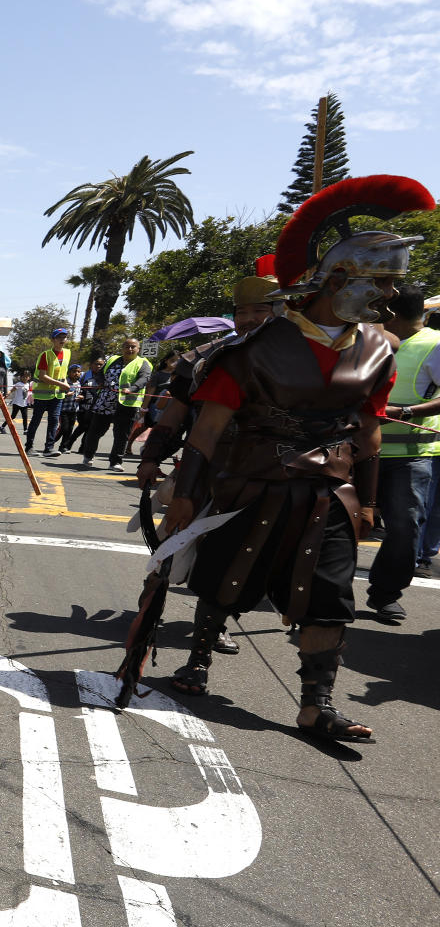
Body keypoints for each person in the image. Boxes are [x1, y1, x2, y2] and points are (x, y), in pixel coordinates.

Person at [154, 174, 432, 741]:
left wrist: (371, 501)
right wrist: (185, 495)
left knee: (331, 595)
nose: (387, 297)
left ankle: (316, 705)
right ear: (337, 279)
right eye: (379, 281)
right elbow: (208, 429)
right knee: (227, 576)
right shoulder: (253, 348)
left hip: (330, 490)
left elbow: (370, 432)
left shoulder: (382, 349)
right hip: (253, 482)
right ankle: (197, 661)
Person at [135, 255, 283, 669]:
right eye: (243, 311)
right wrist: (151, 458)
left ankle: (217, 623)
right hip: (205, 471)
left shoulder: (299, 364)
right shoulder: (206, 359)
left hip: (266, 477)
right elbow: (174, 417)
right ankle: (152, 601)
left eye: (262, 309)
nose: (251, 319)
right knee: (172, 546)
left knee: (242, 557)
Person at [364, 284, 440, 623]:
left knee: (405, 527)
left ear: (390, 312)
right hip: (358, 449)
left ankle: (385, 593)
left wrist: (406, 412)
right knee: (330, 521)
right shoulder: (366, 339)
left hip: (409, 455)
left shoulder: (436, 345)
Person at [104, 337, 153, 469]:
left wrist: (131, 389)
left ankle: (115, 461)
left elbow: (144, 379)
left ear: (138, 349)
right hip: (106, 401)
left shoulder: (143, 362)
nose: (130, 349)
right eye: (127, 346)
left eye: (133, 347)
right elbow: (100, 374)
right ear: (122, 348)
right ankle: (87, 455)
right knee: (96, 429)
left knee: (122, 433)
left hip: (128, 404)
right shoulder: (113, 360)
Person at [26, 327, 71, 455]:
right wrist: (61, 384)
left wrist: (65, 383)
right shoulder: (46, 355)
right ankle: (29, 447)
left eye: (64, 337)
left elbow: (63, 373)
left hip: (58, 395)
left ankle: (49, 448)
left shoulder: (67, 353)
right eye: (59, 337)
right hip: (42, 394)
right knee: (36, 420)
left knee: (54, 421)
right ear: (53, 340)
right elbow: (42, 376)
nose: (62, 340)